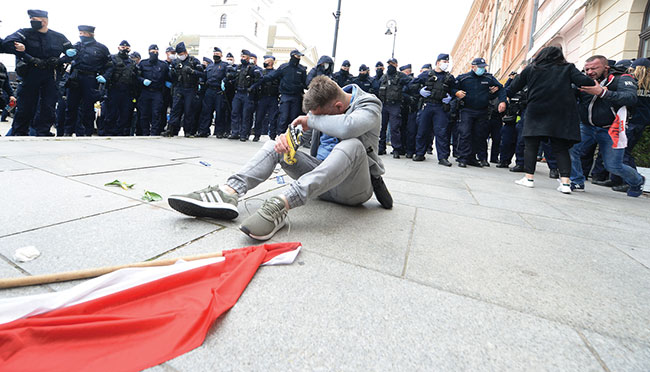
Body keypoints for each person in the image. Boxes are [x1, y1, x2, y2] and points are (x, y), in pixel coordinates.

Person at [167, 76, 392, 241]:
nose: (315, 120)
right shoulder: (321, 112)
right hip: (320, 179)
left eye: (320, 116)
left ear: (339, 107)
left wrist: (310, 120)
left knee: (351, 144)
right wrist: (287, 139)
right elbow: (301, 136)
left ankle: (281, 204)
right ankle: (229, 192)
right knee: (275, 145)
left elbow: (348, 127)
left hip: (352, 189)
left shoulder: (369, 104)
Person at [506, 46, 595, 193]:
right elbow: (586, 82)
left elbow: (513, 87)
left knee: (531, 145)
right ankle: (566, 183)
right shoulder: (568, 68)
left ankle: (529, 178)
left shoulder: (532, 68)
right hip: (561, 113)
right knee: (561, 148)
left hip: (536, 110)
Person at [569, 55, 645, 197]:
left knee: (613, 166)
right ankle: (577, 181)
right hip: (586, 126)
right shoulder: (584, 80)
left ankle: (637, 181)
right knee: (571, 147)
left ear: (606, 67)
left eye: (594, 68)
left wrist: (602, 92)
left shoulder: (621, 78)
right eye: (587, 69)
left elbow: (631, 98)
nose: (590, 72)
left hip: (611, 128)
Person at [2, 10, 73, 136]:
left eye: (34, 20)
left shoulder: (58, 37)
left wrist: (59, 60)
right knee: (25, 105)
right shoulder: (24, 33)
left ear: (44, 21)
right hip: (30, 73)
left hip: (51, 74)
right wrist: (26, 55)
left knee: (48, 105)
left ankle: (43, 132)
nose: (31, 22)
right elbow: (6, 43)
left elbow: (72, 52)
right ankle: (19, 132)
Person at [453, 57, 506, 167]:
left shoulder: (488, 78)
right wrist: (456, 92)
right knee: (465, 133)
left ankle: (472, 158)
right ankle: (463, 158)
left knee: (479, 135)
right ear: (473, 67)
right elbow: (452, 87)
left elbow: (501, 88)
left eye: (484, 67)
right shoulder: (464, 78)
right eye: (480, 67)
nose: (482, 69)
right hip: (467, 110)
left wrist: (502, 101)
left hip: (482, 111)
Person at [609, 57, 650, 192]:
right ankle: (621, 179)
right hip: (642, 122)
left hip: (630, 121)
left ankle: (631, 180)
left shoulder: (632, 83)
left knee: (623, 151)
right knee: (626, 151)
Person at [62, 25, 110, 137]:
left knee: (88, 107)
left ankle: (87, 132)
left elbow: (109, 65)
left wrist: (105, 76)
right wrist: (66, 53)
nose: (81, 35)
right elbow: (66, 59)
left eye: (83, 33)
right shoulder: (76, 46)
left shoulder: (101, 48)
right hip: (75, 78)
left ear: (90, 34)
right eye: (80, 33)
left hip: (90, 79)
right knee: (71, 106)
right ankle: (68, 132)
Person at [409, 54, 455, 165]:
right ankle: (420, 153)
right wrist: (420, 91)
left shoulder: (449, 77)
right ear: (438, 62)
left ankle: (443, 157)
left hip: (440, 107)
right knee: (422, 130)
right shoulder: (426, 75)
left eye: (448, 62)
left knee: (441, 132)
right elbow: (411, 85)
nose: (446, 64)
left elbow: (454, 90)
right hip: (427, 105)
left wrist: (450, 98)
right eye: (444, 61)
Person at [250, 49, 307, 136]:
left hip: (296, 97)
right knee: (283, 117)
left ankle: (291, 137)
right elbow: (271, 76)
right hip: (285, 96)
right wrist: (258, 82)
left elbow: (305, 83)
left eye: (299, 57)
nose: (298, 58)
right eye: (297, 56)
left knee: (293, 118)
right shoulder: (284, 67)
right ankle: (281, 135)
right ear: (292, 56)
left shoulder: (302, 69)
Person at [164, 42, 203, 137]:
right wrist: (173, 72)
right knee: (175, 110)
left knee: (188, 110)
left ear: (186, 52)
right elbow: (171, 77)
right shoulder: (175, 62)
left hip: (190, 89)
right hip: (178, 88)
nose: (180, 56)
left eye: (181, 54)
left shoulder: (194, 61)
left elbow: (202, 74)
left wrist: (192, 71)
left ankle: (188, 131)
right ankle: (170, 130)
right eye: (179, 54)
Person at [377, 58, 411, 158]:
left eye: (392, 64)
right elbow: (377, 86)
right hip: (384, 104)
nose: (390, 65)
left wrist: (404, 93)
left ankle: (396, 149)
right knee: (382, 128)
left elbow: (411, 83)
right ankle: (381, 147)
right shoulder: (384, 77)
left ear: (396, 65)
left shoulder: (400, 75)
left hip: (395, 105)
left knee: (395, 128)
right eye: (389, 64)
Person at [103, 40, 138, 136]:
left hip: (127, 91)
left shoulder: (132, 62)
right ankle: (109, 132)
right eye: (123, 47)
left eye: (127, 48)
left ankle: (122, 133)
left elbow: (135, 77)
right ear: (119, 48)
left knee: (125, 113)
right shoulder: (112, 58)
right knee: (111, 112)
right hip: (114, 89)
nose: (125, 49)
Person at [226, 49, 260, 140]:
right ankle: (235, 132)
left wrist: (252, 87)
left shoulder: (252, 68)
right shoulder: (239, 67)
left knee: (246, 115)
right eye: (241, 56)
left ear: (248, 58)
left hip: (247, 94)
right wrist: (230, 80)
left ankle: (244, 134)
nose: (242, 58)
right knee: (234, 113)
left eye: (244, 57)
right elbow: (236, 79)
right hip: (238, 93)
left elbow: (259, 80)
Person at [137, 44, 170, 136]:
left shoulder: (163, 65)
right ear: (149, 52)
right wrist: (142, 80)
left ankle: (154, 132)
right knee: (144, 113)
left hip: (157, 92)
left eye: (156, 52)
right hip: (145, 91)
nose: (154, 54)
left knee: (156, 113)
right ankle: (145, 132)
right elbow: (137, 76)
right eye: (152, 52)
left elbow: (168, 77)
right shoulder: (143, 63)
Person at [197, 47, 229, 137]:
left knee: (220, 112)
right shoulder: (210, 66)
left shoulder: (224, 65)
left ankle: (219, 132)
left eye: (217, 54)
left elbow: (228, 75)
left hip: (219, 91)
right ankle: (204, 130)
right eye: (214, 54)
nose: (216, 56)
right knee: (206, 111)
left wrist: (224, 81)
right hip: (209, 90)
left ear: (221, 55)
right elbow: (204, 76)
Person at [252, 55, 280, 141]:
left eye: (266, 61)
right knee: (259, 117)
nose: (264, 62)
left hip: (273, 98)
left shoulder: (276, 73)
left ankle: (272, 136)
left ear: (271, 62)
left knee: (273, 118)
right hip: (263, 97)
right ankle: (257, 135)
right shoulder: (261, 72)